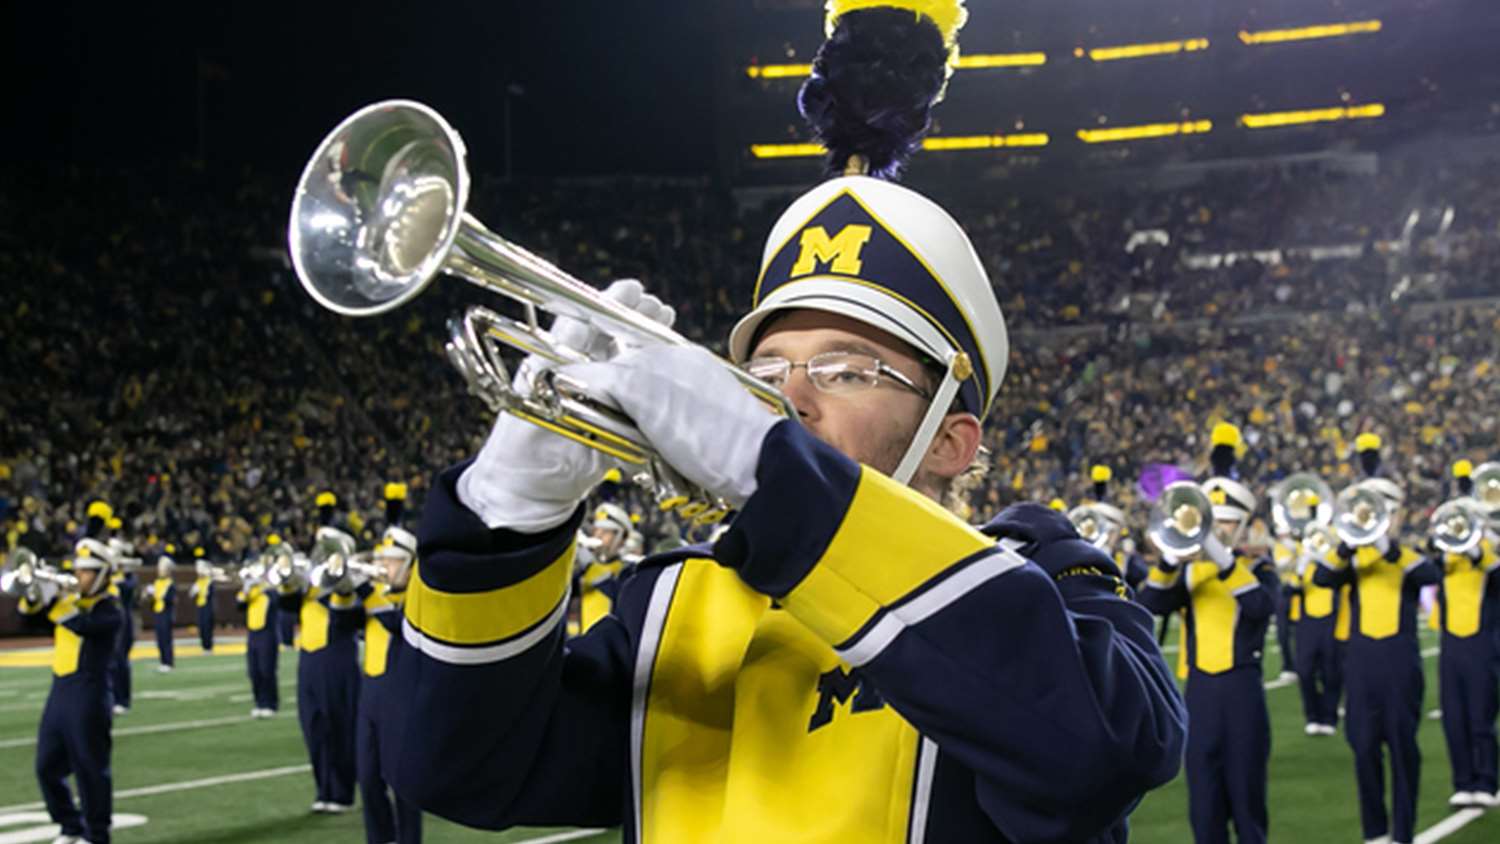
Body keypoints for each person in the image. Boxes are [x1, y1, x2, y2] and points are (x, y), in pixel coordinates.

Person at [384, 4, 1185, 840]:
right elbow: (454, 766)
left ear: (952, 439)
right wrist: (503, 525)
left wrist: (776, 476)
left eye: (845, 370)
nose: (789, 400)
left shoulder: (1045, 574)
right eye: (765, 373)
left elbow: (1102, 750)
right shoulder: (672, 606)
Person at [1137, 423, 1275, 844]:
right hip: (1198, 694)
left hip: (1243, 692)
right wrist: (1170, 556)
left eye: (1226, 524)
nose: (1217, 531)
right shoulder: (1188, 571)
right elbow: (1149, 605)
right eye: (1213, 523)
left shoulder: (1259, 570)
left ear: (1241, 525)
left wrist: (1219, 554)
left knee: (1247, 806)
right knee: (1204, 807)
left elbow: (1259, 607)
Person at [1314, 433, 1441, 844]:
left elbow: (1429, 575)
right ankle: (1375, 830)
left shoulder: (1404, 556)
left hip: (1400, 661)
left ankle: (1403, 832)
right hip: (1362, 662)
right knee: (1364, 746)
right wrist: (1349, 545)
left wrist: (1387, 544)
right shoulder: (1353, 559)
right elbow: (1322, 577)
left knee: (1403, 749)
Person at [2, 505, 123, 844]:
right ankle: (70, 826)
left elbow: (82, 625)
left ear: (101, 575)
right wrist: (32, 594)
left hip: (90, 693)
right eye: (78, 569)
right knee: (46, 766)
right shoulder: (71, 600)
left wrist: (54, 601)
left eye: (86, 571)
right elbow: (30, 620)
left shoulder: (110, 611)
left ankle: (97, 835)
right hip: (60, 691)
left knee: (90, 768)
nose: (78, 575)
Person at [278, 509, 364, 814]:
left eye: (329, 552)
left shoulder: (351, 583)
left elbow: (349, 617)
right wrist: (289, 580)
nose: (322, 557)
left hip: (337, 658)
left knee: (338, 724)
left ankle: (342, 791)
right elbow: (286, 606)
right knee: (312, 724)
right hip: (309, 658)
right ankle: (323, 788)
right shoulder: (312, 583)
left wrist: (338, 580)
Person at [1433, 459, 1500, 808]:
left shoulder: (1490, 551)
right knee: (1454, 715)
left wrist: (1479, 551)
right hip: (1451, 642)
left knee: (1481, 713)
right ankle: (1462, 780)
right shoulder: (1445, 554)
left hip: (1481, 641)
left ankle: (1487, 780)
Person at [358, 518, 422, 844]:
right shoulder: (376, 597)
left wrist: (368, 595)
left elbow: (399, 625)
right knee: (367, 777)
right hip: (370, 693)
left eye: (392, 560)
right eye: (381, 560)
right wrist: (347, 588)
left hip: (402, 697)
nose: (383, 566)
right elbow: (346, 623)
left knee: (404, 781)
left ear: (410, 565)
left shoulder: (419, 598)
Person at [1289, 527, 1346, 736]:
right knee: (1304, 671)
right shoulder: (1306, 566)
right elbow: (1291, 589)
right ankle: (1312, 715)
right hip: (1308, 623)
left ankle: (1329, 716)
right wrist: (1302, 565)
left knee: (1331, 671)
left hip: (1332, 620)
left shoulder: (1333, 564)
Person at [237, 537, 281, 719]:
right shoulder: (251, 590)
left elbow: (277, 600)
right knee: (253, 670)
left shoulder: (271, 589)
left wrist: (264, 585)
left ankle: (270, 702)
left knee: (266, 669)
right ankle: (259, 702)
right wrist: (247, 589)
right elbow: (239, 606)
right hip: (253, 633)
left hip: (267, 633)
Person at [573, 503, 631, 634]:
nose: (598, 536)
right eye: (596, 531)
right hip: (582, 642)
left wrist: (591, 567)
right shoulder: (585, 569)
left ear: (621, 538)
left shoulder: (628, 570)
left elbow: (618, 594)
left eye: (605, 532)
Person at [105, 533, 138, 717]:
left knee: (120, 660)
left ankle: (123, 700)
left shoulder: (127, 576)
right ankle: (111, 698)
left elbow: (128, 589)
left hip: (123, 621)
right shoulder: (108, 574)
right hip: (108, 620)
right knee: (108, 662)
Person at [143, 547, 177, 673]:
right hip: (157, 612)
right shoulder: (157, 582)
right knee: (159, 638)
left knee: (166, 638)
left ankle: (169, 662)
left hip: (166, 613)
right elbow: (154, 599)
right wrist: (149, 594)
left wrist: (156, 594)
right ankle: (163, 661)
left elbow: (169, 599)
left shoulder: (170, 583)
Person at [190, 548, 216, 652]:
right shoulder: (198, 581)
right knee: (201, 626)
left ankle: (208, 646)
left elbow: (209, 593)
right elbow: (191, 594)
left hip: (208, 606)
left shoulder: (209, 581)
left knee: (207, 626)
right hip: (200, 605)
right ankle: (204, 646)